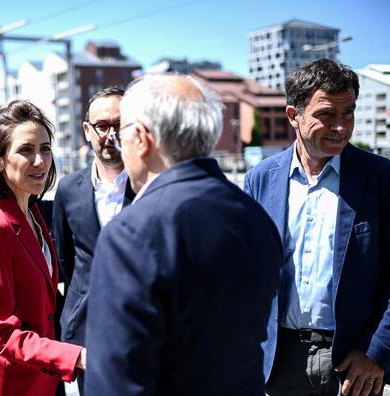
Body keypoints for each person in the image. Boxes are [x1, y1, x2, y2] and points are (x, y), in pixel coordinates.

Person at [85, 74, 282, 396]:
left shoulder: (131, 232)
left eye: (121, 135)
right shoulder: (255, 216)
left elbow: (116, 381)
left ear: (141, 138)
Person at [244, 59, 390, 396]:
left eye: (348, 114)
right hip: (276, 362)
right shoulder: (259, 180)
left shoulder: (381, 180)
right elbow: (244, 273)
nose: (341, 127)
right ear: (294, 116)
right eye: (327, 115)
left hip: (354, 365)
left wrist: (376, 351)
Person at [0, 100, 86, 396]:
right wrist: (75, 356)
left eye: (45, 148)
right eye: (26, 150)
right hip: (3, 384)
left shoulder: (32, 212)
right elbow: (1, 334)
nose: (40, 161)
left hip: (37, 379)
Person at [52, 86, 135, 393]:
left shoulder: (153, 187)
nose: (110, 134)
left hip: (145, 329)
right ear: (87, 130)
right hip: (87, 335)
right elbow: (66, 263)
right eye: (102, 126)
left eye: (119, 125)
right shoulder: (68, 189)